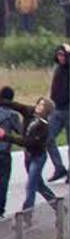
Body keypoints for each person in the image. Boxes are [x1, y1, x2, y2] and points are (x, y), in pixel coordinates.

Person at [45, 44, 70, 181]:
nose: (60, 58)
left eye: (63, 55)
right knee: (47, 137)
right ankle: (59, 168)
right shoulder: (58, 70)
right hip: (57, 109)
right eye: (58, 55)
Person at [0, 87, 19, 217]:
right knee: (3, 181)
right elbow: (20, 130)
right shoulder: (12, 114)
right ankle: (0, 208)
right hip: (4, 152)